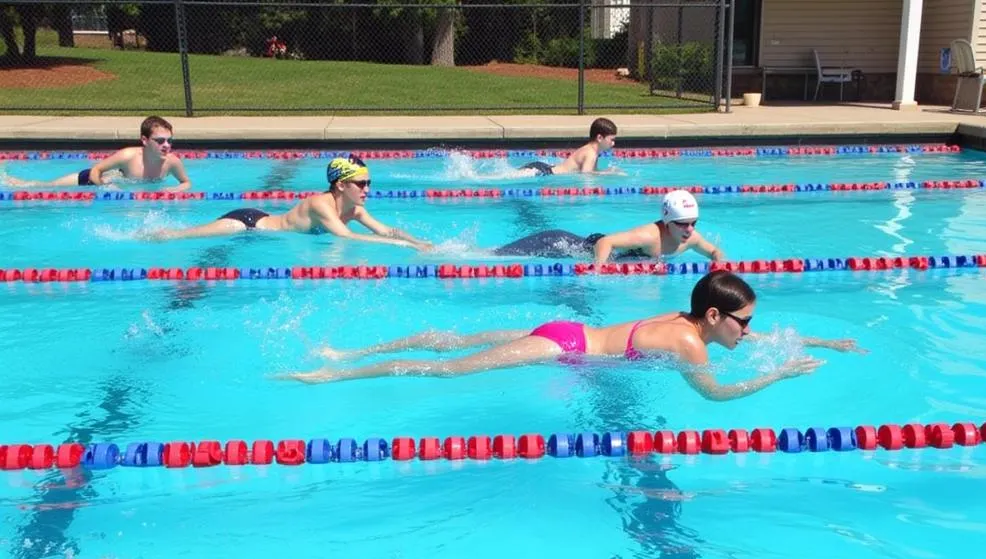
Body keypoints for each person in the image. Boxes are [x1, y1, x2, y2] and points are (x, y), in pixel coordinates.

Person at [276, 270, 862, 399]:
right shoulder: (689, 345)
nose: (750, 332)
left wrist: (823, 344)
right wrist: (780, 374)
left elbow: (748, 341)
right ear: (713, 317)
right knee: (449, 367)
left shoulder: (684, 321)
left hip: (567, 331)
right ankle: (335, 371)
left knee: (450, 340)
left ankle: (348, 349)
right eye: (745, 322)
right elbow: (715, 396)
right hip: (566, 347)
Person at [146, 156, 432, 250]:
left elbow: (385, 230)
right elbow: (346, 237)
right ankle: (154, 233)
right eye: (361, 183)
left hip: (265, 223)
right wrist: (403, 247)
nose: (367, 188)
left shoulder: (354, 209)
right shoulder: (321, 205)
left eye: (369, 183)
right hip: (248, 223)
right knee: (179, 237)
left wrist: (420, 243)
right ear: (341, 185)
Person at [491, 190, 723, 264]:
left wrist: (720, 264)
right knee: (496, 256)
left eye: (694, 223)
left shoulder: (690, 238)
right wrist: (598, 269)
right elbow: (606, 242)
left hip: (595, 249)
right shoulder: (650, 236)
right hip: (564, 243)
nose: (690, 229)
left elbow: (713, 251)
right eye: (683, 224)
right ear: (666, 222)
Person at [3, 116, 192, 192]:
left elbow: (186, 182)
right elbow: (96, 170)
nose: (167, 145)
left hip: (127, 190)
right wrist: (105, 188)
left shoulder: (172, 162)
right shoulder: (128, 156)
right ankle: (7, 178)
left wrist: (174, 190)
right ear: (144, 140)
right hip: (90, 180)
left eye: (169, 140)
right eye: (160, 141)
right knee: (42, 187)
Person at [512, 117, 621, 177]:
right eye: (611, 140)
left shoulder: (591, 151)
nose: (613, 144)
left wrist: (604, 172)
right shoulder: (591, 153)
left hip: (544, 168)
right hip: (544, 171)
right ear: (600, 138)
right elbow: (586, 175)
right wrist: (608, 173)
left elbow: (592, 171)